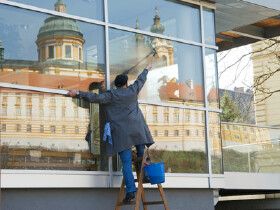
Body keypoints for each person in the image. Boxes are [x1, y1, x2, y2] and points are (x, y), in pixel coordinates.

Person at [67, 63, 154, 202]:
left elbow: (93, 98)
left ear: (116, 85)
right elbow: (141, 79)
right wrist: (147, 68)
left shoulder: (111, 95)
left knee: (126, 162)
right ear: (126, 83)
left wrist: (77, 92)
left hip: (121, 134)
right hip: (137, 131)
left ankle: (131, 190)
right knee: (141, 154)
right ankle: (145, 175)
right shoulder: (132, 90)